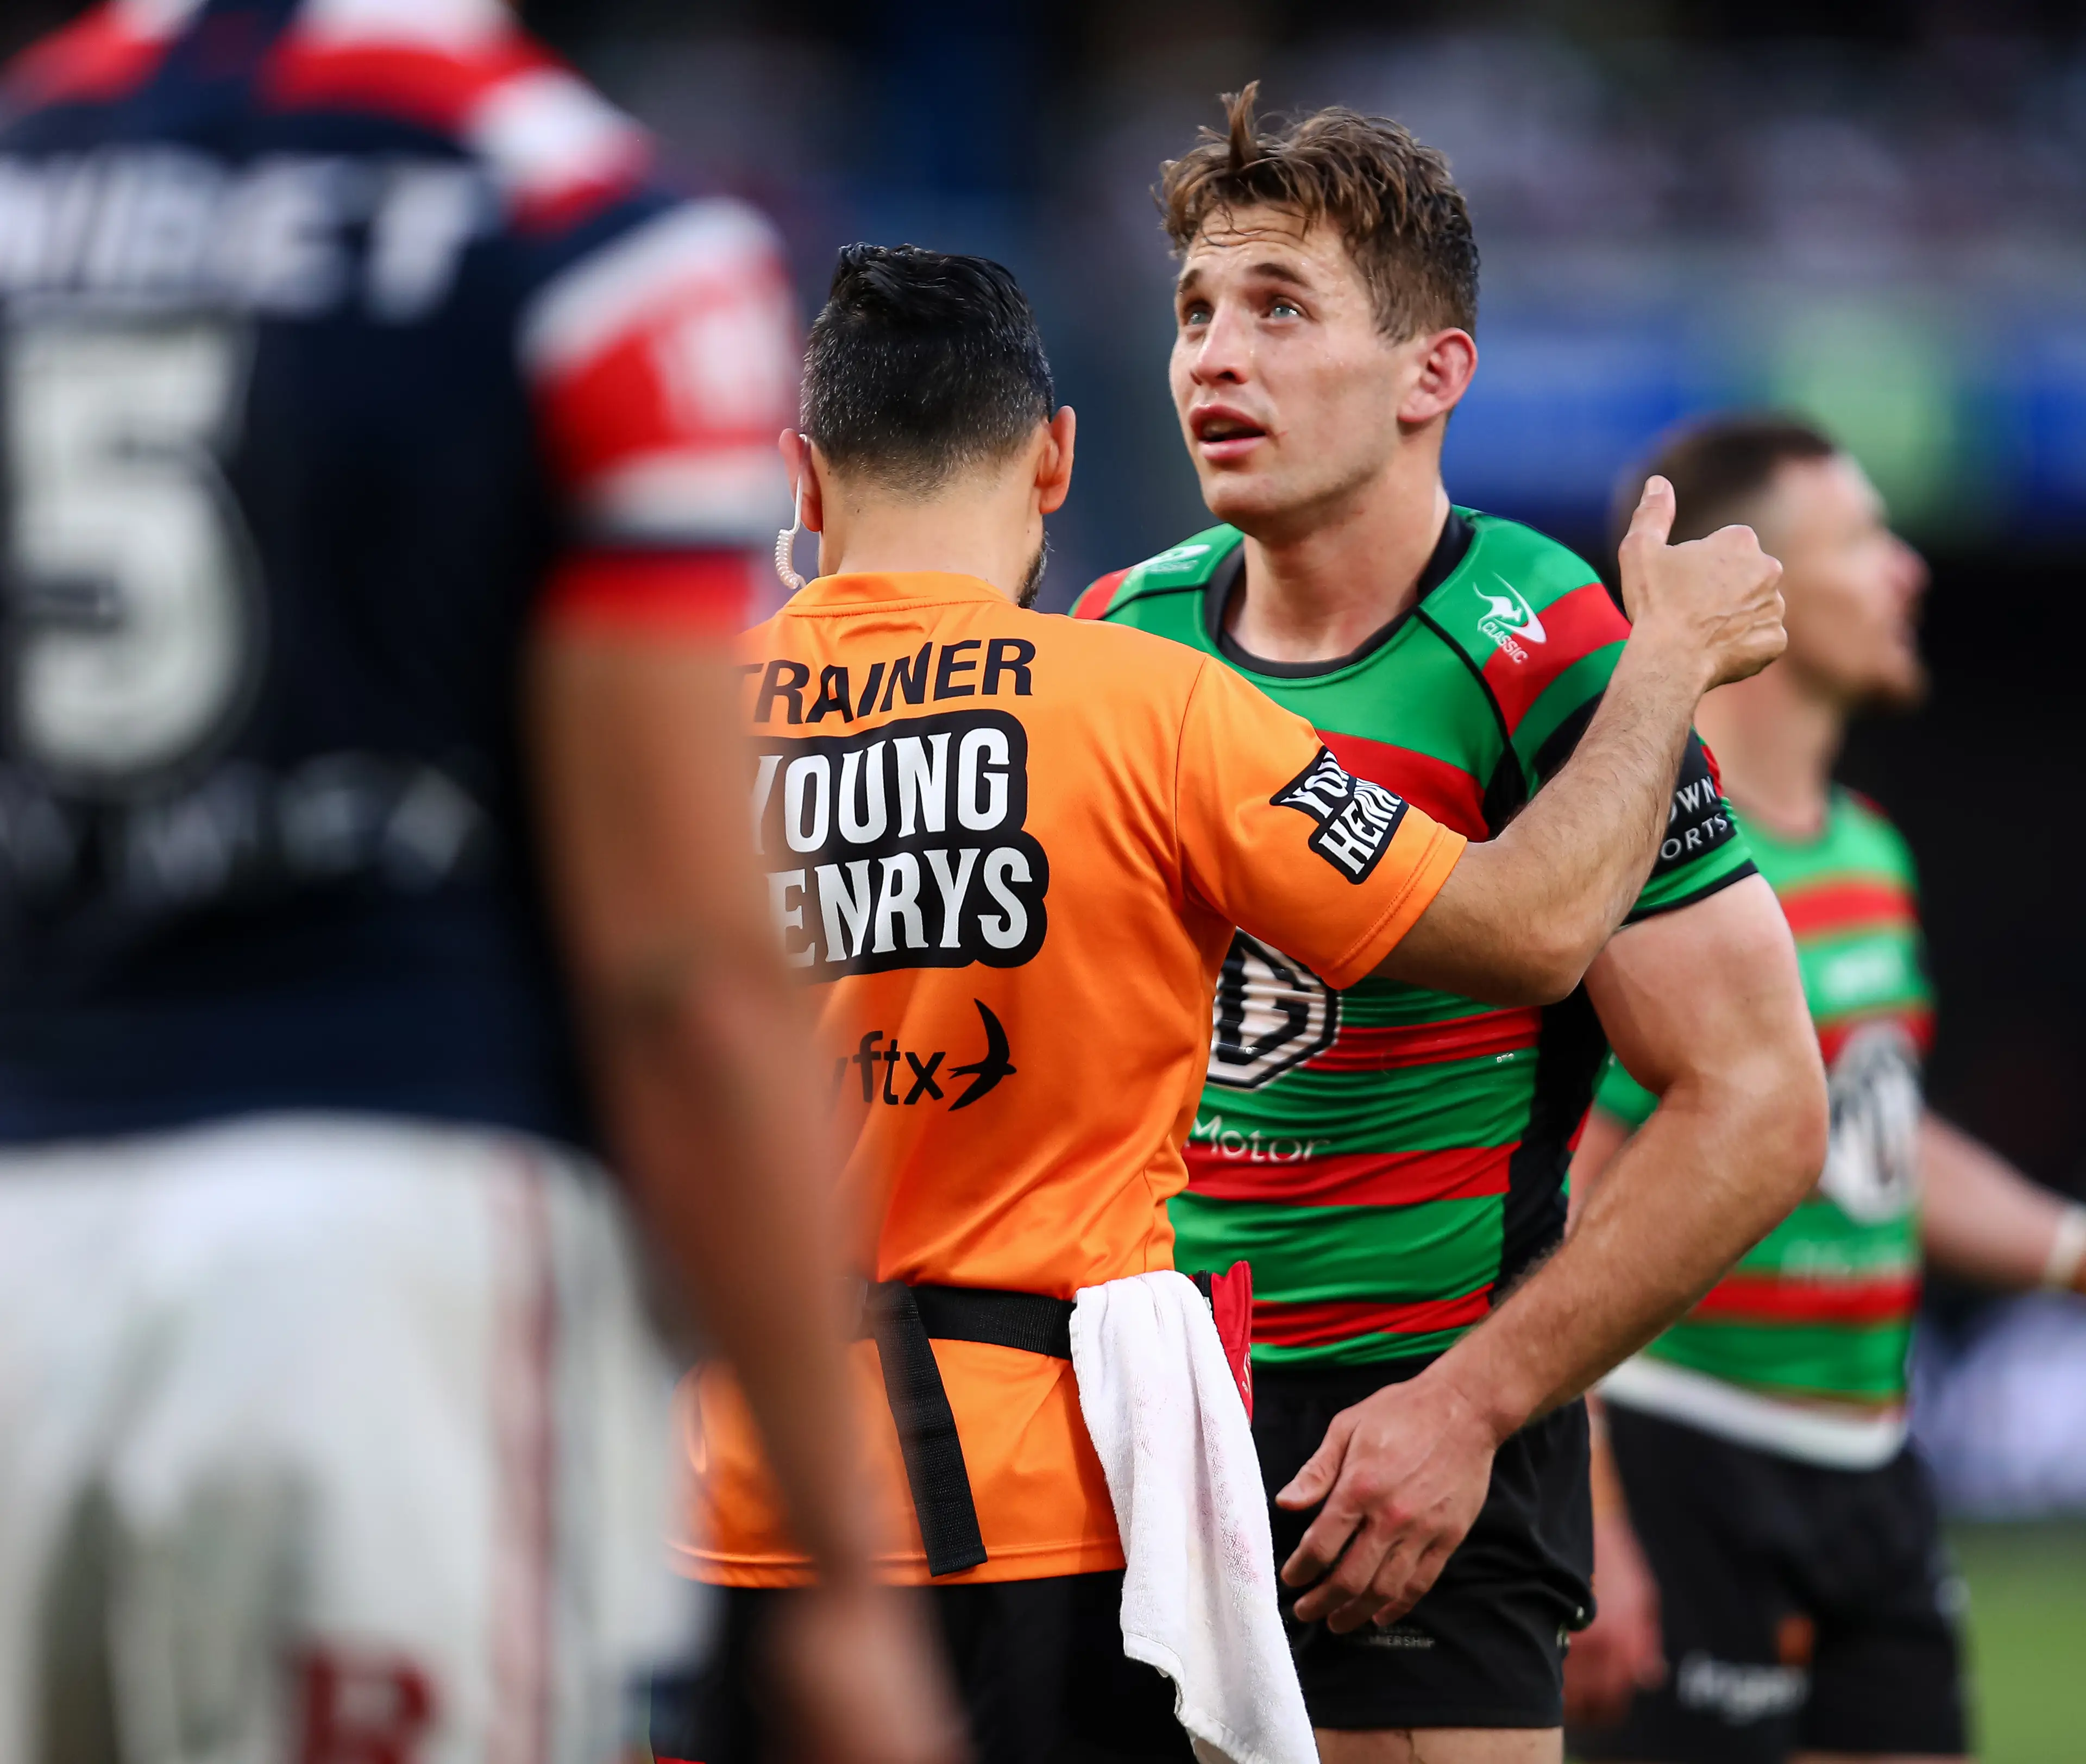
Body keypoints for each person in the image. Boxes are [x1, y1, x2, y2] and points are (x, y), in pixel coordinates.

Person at [678, 238, 1786, 1764]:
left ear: (802, 480)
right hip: (1042, 1508)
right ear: (1055, 461)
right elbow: (1531, 930)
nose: (1215, 351)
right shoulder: (1145, 703)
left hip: (721, 1495)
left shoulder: (668, 733)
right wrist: (1666, 666)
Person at [0, 3, 958, 1761]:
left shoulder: (24, 171)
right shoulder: (584, 238)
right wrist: (838, 1569)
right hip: (385, 1259)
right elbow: (684, 972)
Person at [1076, 89, 1826, 1762]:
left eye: (1281, 309)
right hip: (1139, 1403)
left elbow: (1762, 1101)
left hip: (1410, 1426)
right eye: (1195, 312)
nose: (1215, 358)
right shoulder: (1122, 633)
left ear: (1433, 374)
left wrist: (1470, 1406)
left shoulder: (1547, 651)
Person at [1564, 415, 2086, 1764]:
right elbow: (1564, 1207)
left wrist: (2066, 1247)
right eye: (1863, 540)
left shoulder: (1867, 851)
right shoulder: (1653, 871)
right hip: (1692, 1460)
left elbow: (1871, 1139)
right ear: (1760, 585)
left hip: (1870, 1456)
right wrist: (1594, 1517)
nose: (1909, 570)